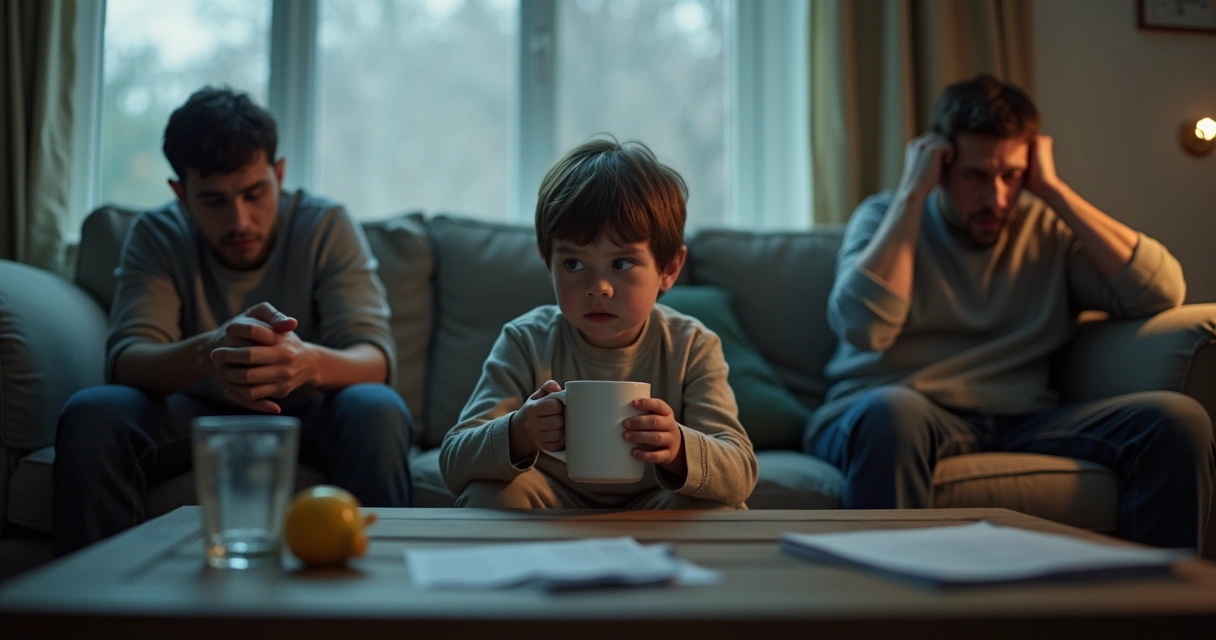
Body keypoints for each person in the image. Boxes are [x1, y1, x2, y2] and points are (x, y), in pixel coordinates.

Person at [806, 74, 1215, 550]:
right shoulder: (884, 216)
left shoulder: (1047, 229)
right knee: (890, 413)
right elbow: (864, 329)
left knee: (1176, 420)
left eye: (1011, 175)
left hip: (1023, 418)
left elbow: (1160, 293)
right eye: (975, 176)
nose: (996, 198)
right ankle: (892, 594)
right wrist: (912, 194)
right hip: (894, 411)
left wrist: (1053, 189)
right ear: (940, 163)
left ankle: (1160, 596)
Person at [53, 87, 413, 556]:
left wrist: (307, 363)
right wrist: (212, 350)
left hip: (309, 410)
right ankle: (94, 595)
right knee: (93, 414)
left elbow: (374, 358)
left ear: (278, 174)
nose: (240, 220)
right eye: (213, 201)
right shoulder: (157, 234)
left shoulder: (325, 225)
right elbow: (127, 360)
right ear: (181, 194)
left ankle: (375, 591)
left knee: (377, 409)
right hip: (194, 413)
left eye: (254, 193)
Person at [439, 138, 758, 509]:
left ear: (669, 269)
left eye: (621, 263)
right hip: (552, 504)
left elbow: (741, 472)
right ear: (548, 263)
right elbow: (454, 462)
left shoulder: (692, 346)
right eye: (574, 264)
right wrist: (518, 432)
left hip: (658, 505)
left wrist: (679, 448)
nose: (598, 288)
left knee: (717, 505)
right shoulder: (525, 341)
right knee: (489, 496)